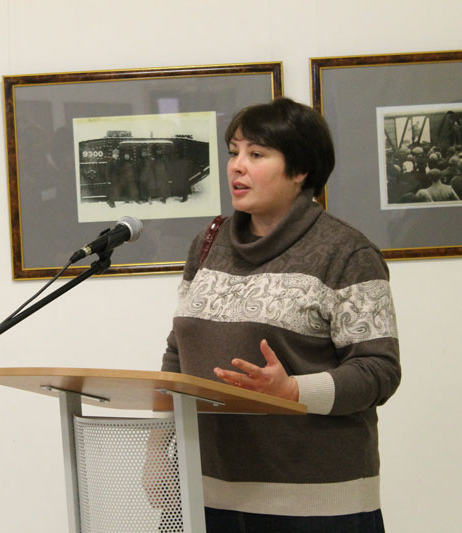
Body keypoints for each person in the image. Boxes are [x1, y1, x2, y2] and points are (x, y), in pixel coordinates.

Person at [161, 97, 401, 532]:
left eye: (256, 154)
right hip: (203, 494)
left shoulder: (347, 253)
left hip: (313, 504)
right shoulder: (208, 242)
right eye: (233, 152)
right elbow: (178, 353)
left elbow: (379, 371)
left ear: (300, 169)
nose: (236, 166)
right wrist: (159, 449)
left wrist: (293, 391)